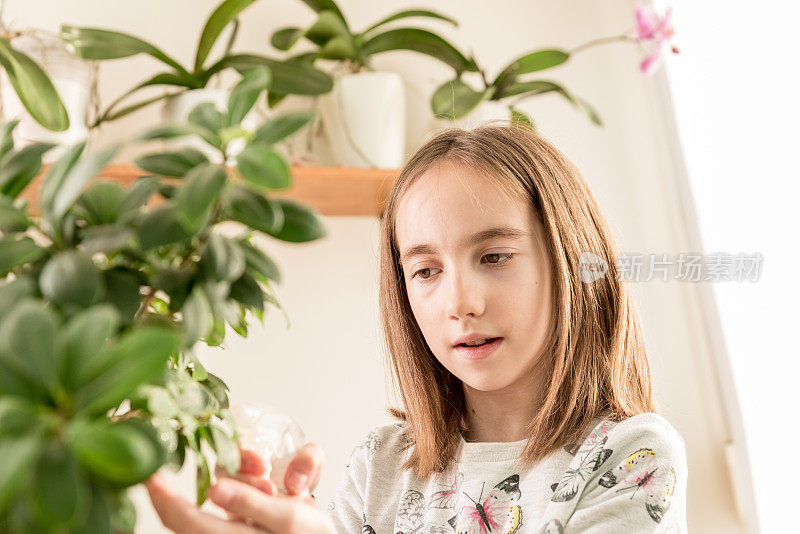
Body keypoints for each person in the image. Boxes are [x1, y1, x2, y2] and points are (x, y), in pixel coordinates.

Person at [147, 123, 688, 533]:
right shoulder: (383, 462)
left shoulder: (630, 454)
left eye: (495, 256)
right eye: (426, 270)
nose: (459, 302)